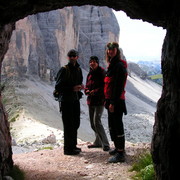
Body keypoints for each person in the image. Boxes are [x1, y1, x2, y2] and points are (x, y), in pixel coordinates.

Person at [54, 49, 84, 155]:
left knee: (75, 123)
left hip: (75, 100)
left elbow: (79, 81)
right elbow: (58, 86)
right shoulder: (64, 69)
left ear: (77, 57)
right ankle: (68, 149)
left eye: (74, 56)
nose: (72, 57)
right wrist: (72, 88)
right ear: (68, 57)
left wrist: (80, 87)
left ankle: (73, 146)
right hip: (66, 101)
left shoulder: (79, 70)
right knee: (68, 124)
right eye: (70, 56)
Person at [104, 42, 128, 163]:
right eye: (109, 49)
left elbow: (118, 86)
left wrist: (112, 102)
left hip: (116, 101)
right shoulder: (112, 65)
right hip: (111, 100)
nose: (111, 51)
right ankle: (118, 149)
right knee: (112, 125)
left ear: (117, 51)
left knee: (117, 126)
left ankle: (120, 153)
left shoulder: (118, 65)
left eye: (113, 49)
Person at [85, 56, 110, 151]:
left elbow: (105, 86)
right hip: (90, 101)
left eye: (94, 62)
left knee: (97, 122)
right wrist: (87, 91)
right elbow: (87, 85)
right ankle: (98, 142)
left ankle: (106, 144)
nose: (92, 63)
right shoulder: (89, 74)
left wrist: (94, 92)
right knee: (92, 123)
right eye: (91, 62)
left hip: (99, 101)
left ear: (98, 63)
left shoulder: (102, 72)